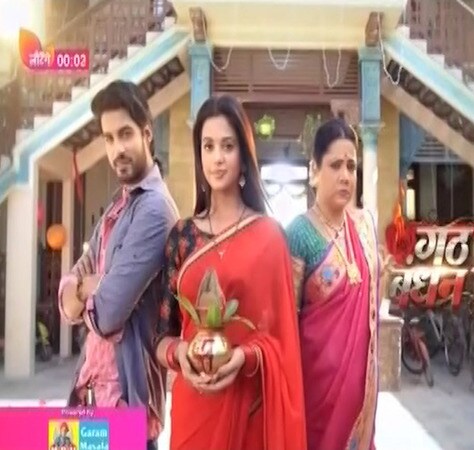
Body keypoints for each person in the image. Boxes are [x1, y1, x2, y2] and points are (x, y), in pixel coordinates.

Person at [155, 94, 306, 450]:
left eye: (228, 146)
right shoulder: (182, 237)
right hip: (194, 411)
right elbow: (161, 336)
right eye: (208, 146)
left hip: (250, 407)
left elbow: (284, 343)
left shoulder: (270, 237)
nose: (218, 158)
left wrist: (244, 356)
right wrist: (181, 355)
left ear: (244, 157)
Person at [57, 80, 179, 450]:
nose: (117, 149)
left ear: (147, 134)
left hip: (126, 410)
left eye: (125, 134)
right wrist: (85, 286)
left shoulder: (154, 210)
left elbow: (108, 314)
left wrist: (90, 291)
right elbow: (67, 301)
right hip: (89, 399)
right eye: (108, 138)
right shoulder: (118, 205)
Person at [286, 118, 380, 450]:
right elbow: (286, 325)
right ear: (315, 170)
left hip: (360, 403)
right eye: (335, 165)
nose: (345, 176)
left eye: (351, 166)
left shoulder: (365, 227)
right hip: (314, 395)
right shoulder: (298, 234)